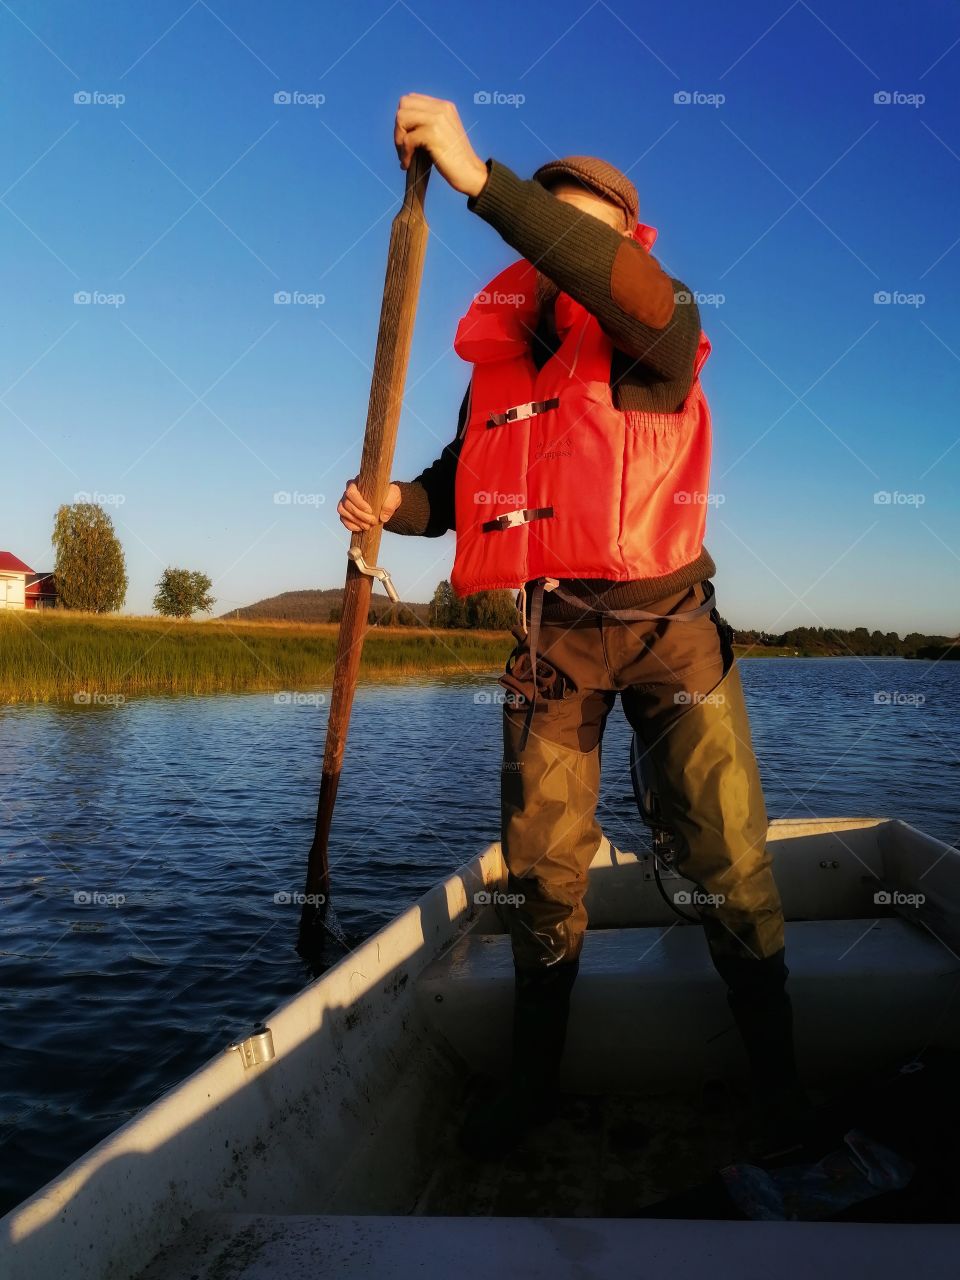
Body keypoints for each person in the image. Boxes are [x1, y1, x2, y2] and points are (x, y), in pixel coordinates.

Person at [338, 94, 806, 1159]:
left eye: (581, 232)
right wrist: (388, 506)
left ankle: (780, 1094)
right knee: (542, 865)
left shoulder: (657, 326)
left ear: (616, 240)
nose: (563, 252)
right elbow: (457, 491)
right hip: (554, 637)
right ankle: (535, 1086)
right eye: (550, 229)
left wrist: (480, 180)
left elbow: (617, 281)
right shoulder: (504, 368)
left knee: (725, 852)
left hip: (671, 629)